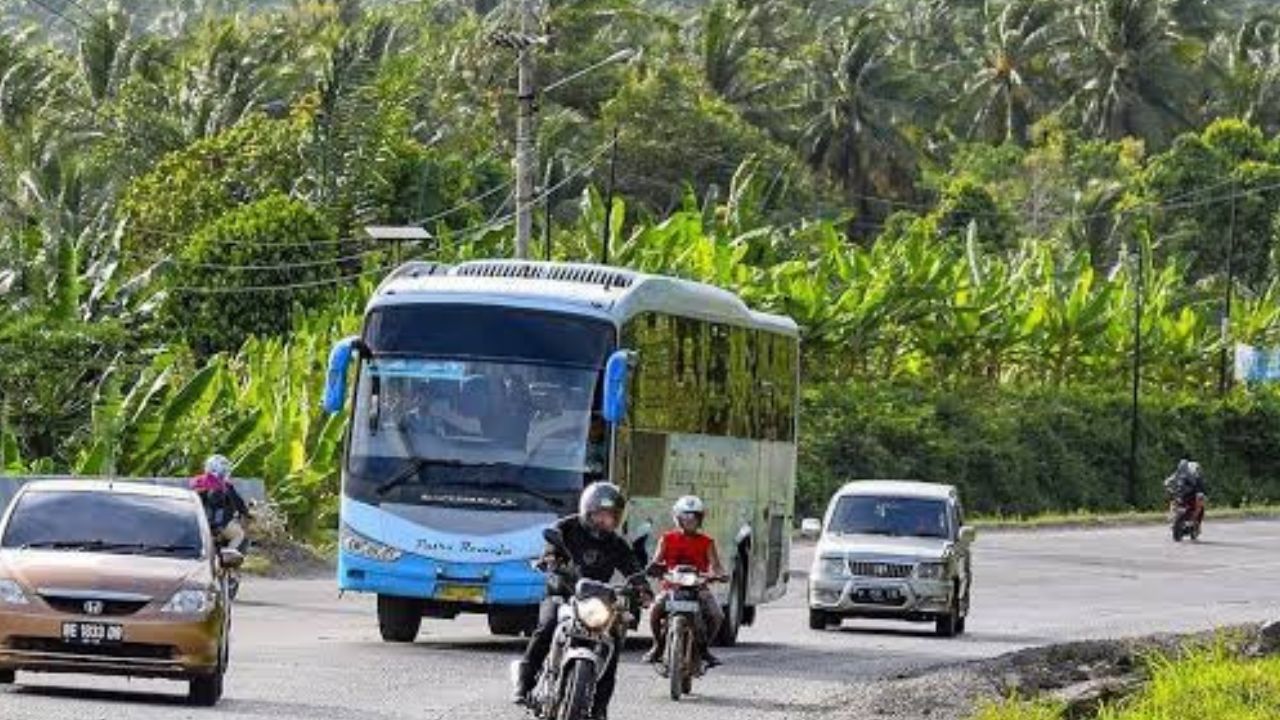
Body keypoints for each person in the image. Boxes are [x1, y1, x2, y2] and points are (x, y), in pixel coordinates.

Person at [513, 482, 645, 719]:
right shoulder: (566, 527)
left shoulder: (616, 543)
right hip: (563, 592)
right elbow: (551, 545)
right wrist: (550, 558)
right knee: (547, 625)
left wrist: (642, 588)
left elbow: (632, 567)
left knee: (613, 640)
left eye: (611, 516)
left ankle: (600, 706)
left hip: (598, 601)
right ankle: (524, 681)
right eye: (600, 514)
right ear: (588, 510)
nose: (605, 521)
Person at [642, 495, 727, 669]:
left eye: (694, 517)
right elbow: (657, 561)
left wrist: (719, 575)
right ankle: (657, 645)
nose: (690, 521)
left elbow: (716, 566)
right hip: (671, 587)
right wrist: (653, 568)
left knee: (717, 615)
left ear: (700, 519)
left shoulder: (707, 542)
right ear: (678, 518)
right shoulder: (666, 538)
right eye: (686, 516)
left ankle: (704, 649)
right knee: (655, 610)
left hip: (699, 588)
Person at [190, 454, 251, 551]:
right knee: (239, 534)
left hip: (198, 523)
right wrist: (246, 513)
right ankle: (228, 555)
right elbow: (239, 503)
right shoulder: (226, 486)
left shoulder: (197, 481)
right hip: (220, 525)